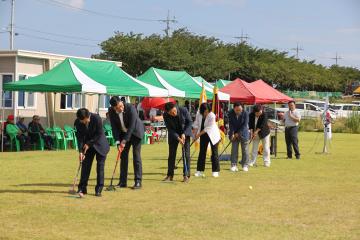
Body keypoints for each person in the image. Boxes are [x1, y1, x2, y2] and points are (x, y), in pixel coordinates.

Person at [108, 96, 144, 190]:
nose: (120, 108)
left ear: (121, 102)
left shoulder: (131, 108)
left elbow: (132, 126)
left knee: (136, 156)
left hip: (135, 133)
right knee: (123, 156)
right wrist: (118, 142)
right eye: (117, 108)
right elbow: (114, 127)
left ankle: (138, 181)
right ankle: (123, 182)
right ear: (113, 108)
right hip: (123, 134)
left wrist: (124, 141)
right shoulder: (111, 111)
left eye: (120, 106)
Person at [74, 108, 110, 197]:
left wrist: (89, 143)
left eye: (83, 120)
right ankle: (82, 188)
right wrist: (81, 152)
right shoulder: (78, 122)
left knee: (100, 168)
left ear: (87, 116)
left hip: (100, 145)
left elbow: (99, 133)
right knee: (85, 166)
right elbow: (80, 137)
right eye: (80, 120)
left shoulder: (97, 118)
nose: (82, 122)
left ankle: (98, 189)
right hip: (87, 147)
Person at [163, 102, 193, 183]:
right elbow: (170, 128)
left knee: (186, 154)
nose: (173, 113)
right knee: (171, 155)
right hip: (174, 135)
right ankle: (170, 175)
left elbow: (190, 122)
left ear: (175, 107)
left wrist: (184, 134)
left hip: (185, 133)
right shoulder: (165, 115)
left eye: (174, 111)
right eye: (171, 113)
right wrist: (177, 137)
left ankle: (186, 175)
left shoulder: (183, 110)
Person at [193, 103, 221, 178]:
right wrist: (194, 134)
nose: (206, 113)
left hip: (213, 134)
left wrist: (198, 135)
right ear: (201, 111)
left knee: (214, 152)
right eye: (205, 112)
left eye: (207, 111)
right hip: (203, 135)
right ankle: (199, 170)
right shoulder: (198, 114)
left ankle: (215, 171)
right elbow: (196, 124)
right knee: (202, 152)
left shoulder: (212, 115)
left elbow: (208, 128)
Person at [228, 102, 250, 172]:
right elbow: (231, 124)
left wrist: (238, 133)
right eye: (237, 110)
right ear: (234, 108)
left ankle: (245, 165)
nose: (238, 111)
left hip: (244, 133)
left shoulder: (246, 113)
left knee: (245, 150)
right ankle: (233, 165)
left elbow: (245, 125)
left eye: (240, 110)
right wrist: (232, 134)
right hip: (234, 133)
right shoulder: (230, 113)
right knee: (234, 150)